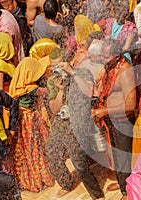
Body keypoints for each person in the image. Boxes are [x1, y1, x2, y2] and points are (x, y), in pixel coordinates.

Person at [45, 48, 105, 199]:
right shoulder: (53, 80)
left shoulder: (82, 73)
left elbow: (89, 91)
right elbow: (53, 109)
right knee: (51, 153)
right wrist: (60, 90)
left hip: (79, 122)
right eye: (54, 67)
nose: (57, 70)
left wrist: (72, 73)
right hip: (61, 122)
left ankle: (96, 194)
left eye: (60, 65)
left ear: (68, 62)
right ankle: (66, 183)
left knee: (79, 163)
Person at [91, 39, 137, 199]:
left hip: (123, 123)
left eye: (105, 57)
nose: (102, 61)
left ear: (117, 55)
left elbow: (131, 105)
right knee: (116, 157)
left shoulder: (125, 72)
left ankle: (127, 192)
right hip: (111, 121)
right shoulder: (110, 66)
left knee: (124, 158)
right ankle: (122, 185)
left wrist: (105, 111)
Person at [9, 57, 54, 192]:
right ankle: (41, 178)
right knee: (36, 149)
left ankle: (27, 180)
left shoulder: (17, 86)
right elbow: (47, 92)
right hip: (31, 120)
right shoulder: (32, 88)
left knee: (24, 151)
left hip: (21, 122)